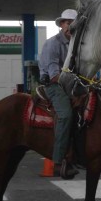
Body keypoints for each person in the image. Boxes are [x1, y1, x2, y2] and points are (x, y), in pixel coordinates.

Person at [38, 9, 79, 180]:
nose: (71, 26)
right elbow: (54, 74)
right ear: (62, 24)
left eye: (74, 24)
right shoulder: (52, 44)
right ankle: (58, 161)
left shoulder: (76, 44)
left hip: (71, 83)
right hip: (53, 84)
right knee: (66, 115)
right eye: (68, 23)